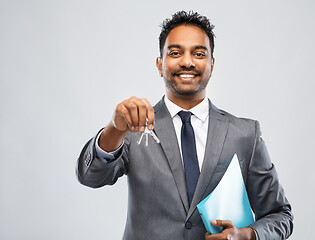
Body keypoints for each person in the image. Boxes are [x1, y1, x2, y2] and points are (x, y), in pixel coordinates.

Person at [76, 10, 293, 240]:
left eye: (198, 53)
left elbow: (280, 215)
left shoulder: (245, 134)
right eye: (175, 52)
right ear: (160, 64)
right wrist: (115, 128)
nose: (187, 62)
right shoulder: (133, 127)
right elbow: (91, 177)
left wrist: (249, 235)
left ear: (212, 64)